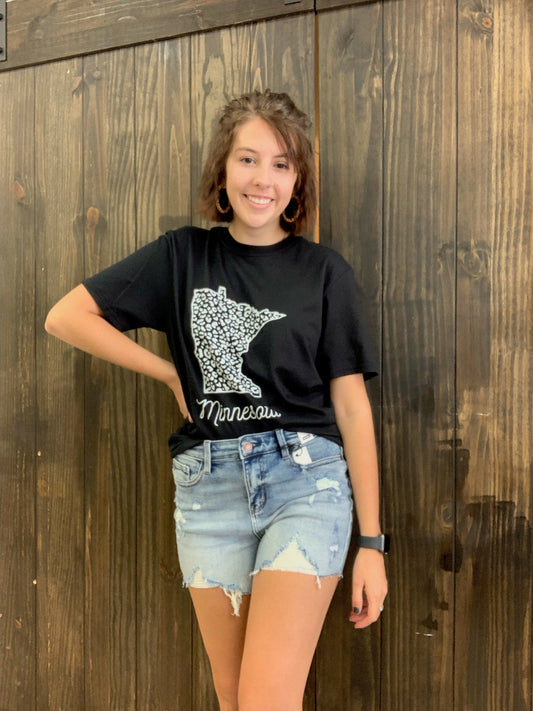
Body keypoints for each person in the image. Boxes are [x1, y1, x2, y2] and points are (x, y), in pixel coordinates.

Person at [45, 89, 388, 711]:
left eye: (281, 164)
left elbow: (352, 408)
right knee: (234, 700)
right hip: (209, 490)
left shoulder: (324, 272)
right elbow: (66, 317)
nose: (263, 180)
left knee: (264, 700)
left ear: (297, 180)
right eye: (247, 159)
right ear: (222, 170)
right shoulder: (182, 256)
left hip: (305, 485)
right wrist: (168, 372)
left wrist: (373, 544)